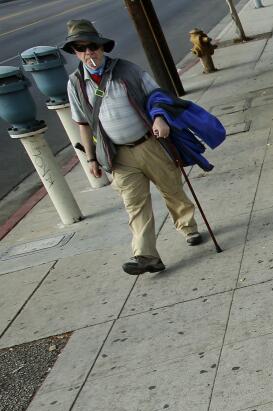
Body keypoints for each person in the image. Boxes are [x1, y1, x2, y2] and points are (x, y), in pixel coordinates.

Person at [63, 19, 203, 276]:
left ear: (101, 46)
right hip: (118, 155)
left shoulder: (127, 70)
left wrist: (160, 118)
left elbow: (158, 96)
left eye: (91, 46)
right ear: (75, 52)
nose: (88, 53)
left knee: (171, 188)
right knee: (134, 205)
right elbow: (83, 124)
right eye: (80, 48)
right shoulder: (75, 84)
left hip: (149, 143)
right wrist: (91, 159)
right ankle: (146, 255)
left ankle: (188, 227)